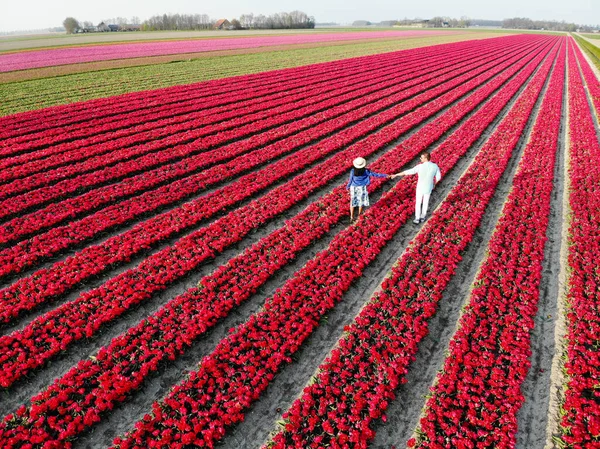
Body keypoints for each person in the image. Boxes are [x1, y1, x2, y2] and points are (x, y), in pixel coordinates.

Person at [392, 152, 441, 224]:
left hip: (420, 187)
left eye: (421, 158)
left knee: (418, 202)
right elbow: (438, 177)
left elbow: (408, 172)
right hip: (428, 187)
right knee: (425, 202)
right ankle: (423, 217)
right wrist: (434, 184)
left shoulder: (420, 167)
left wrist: (396, 175)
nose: (420, 159)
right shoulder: (435, 166)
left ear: (425, 158)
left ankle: (417, 218)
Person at [346, 157, 390, 222]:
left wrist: (348, 187)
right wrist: (385, 175)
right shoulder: (366, 171)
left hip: (354, 187)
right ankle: (359, 216)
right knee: (361, 202)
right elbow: (376, 175)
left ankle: (351, 217)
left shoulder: (353, 171)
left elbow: (350, 180)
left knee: (353, 201)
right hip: (362, 188)